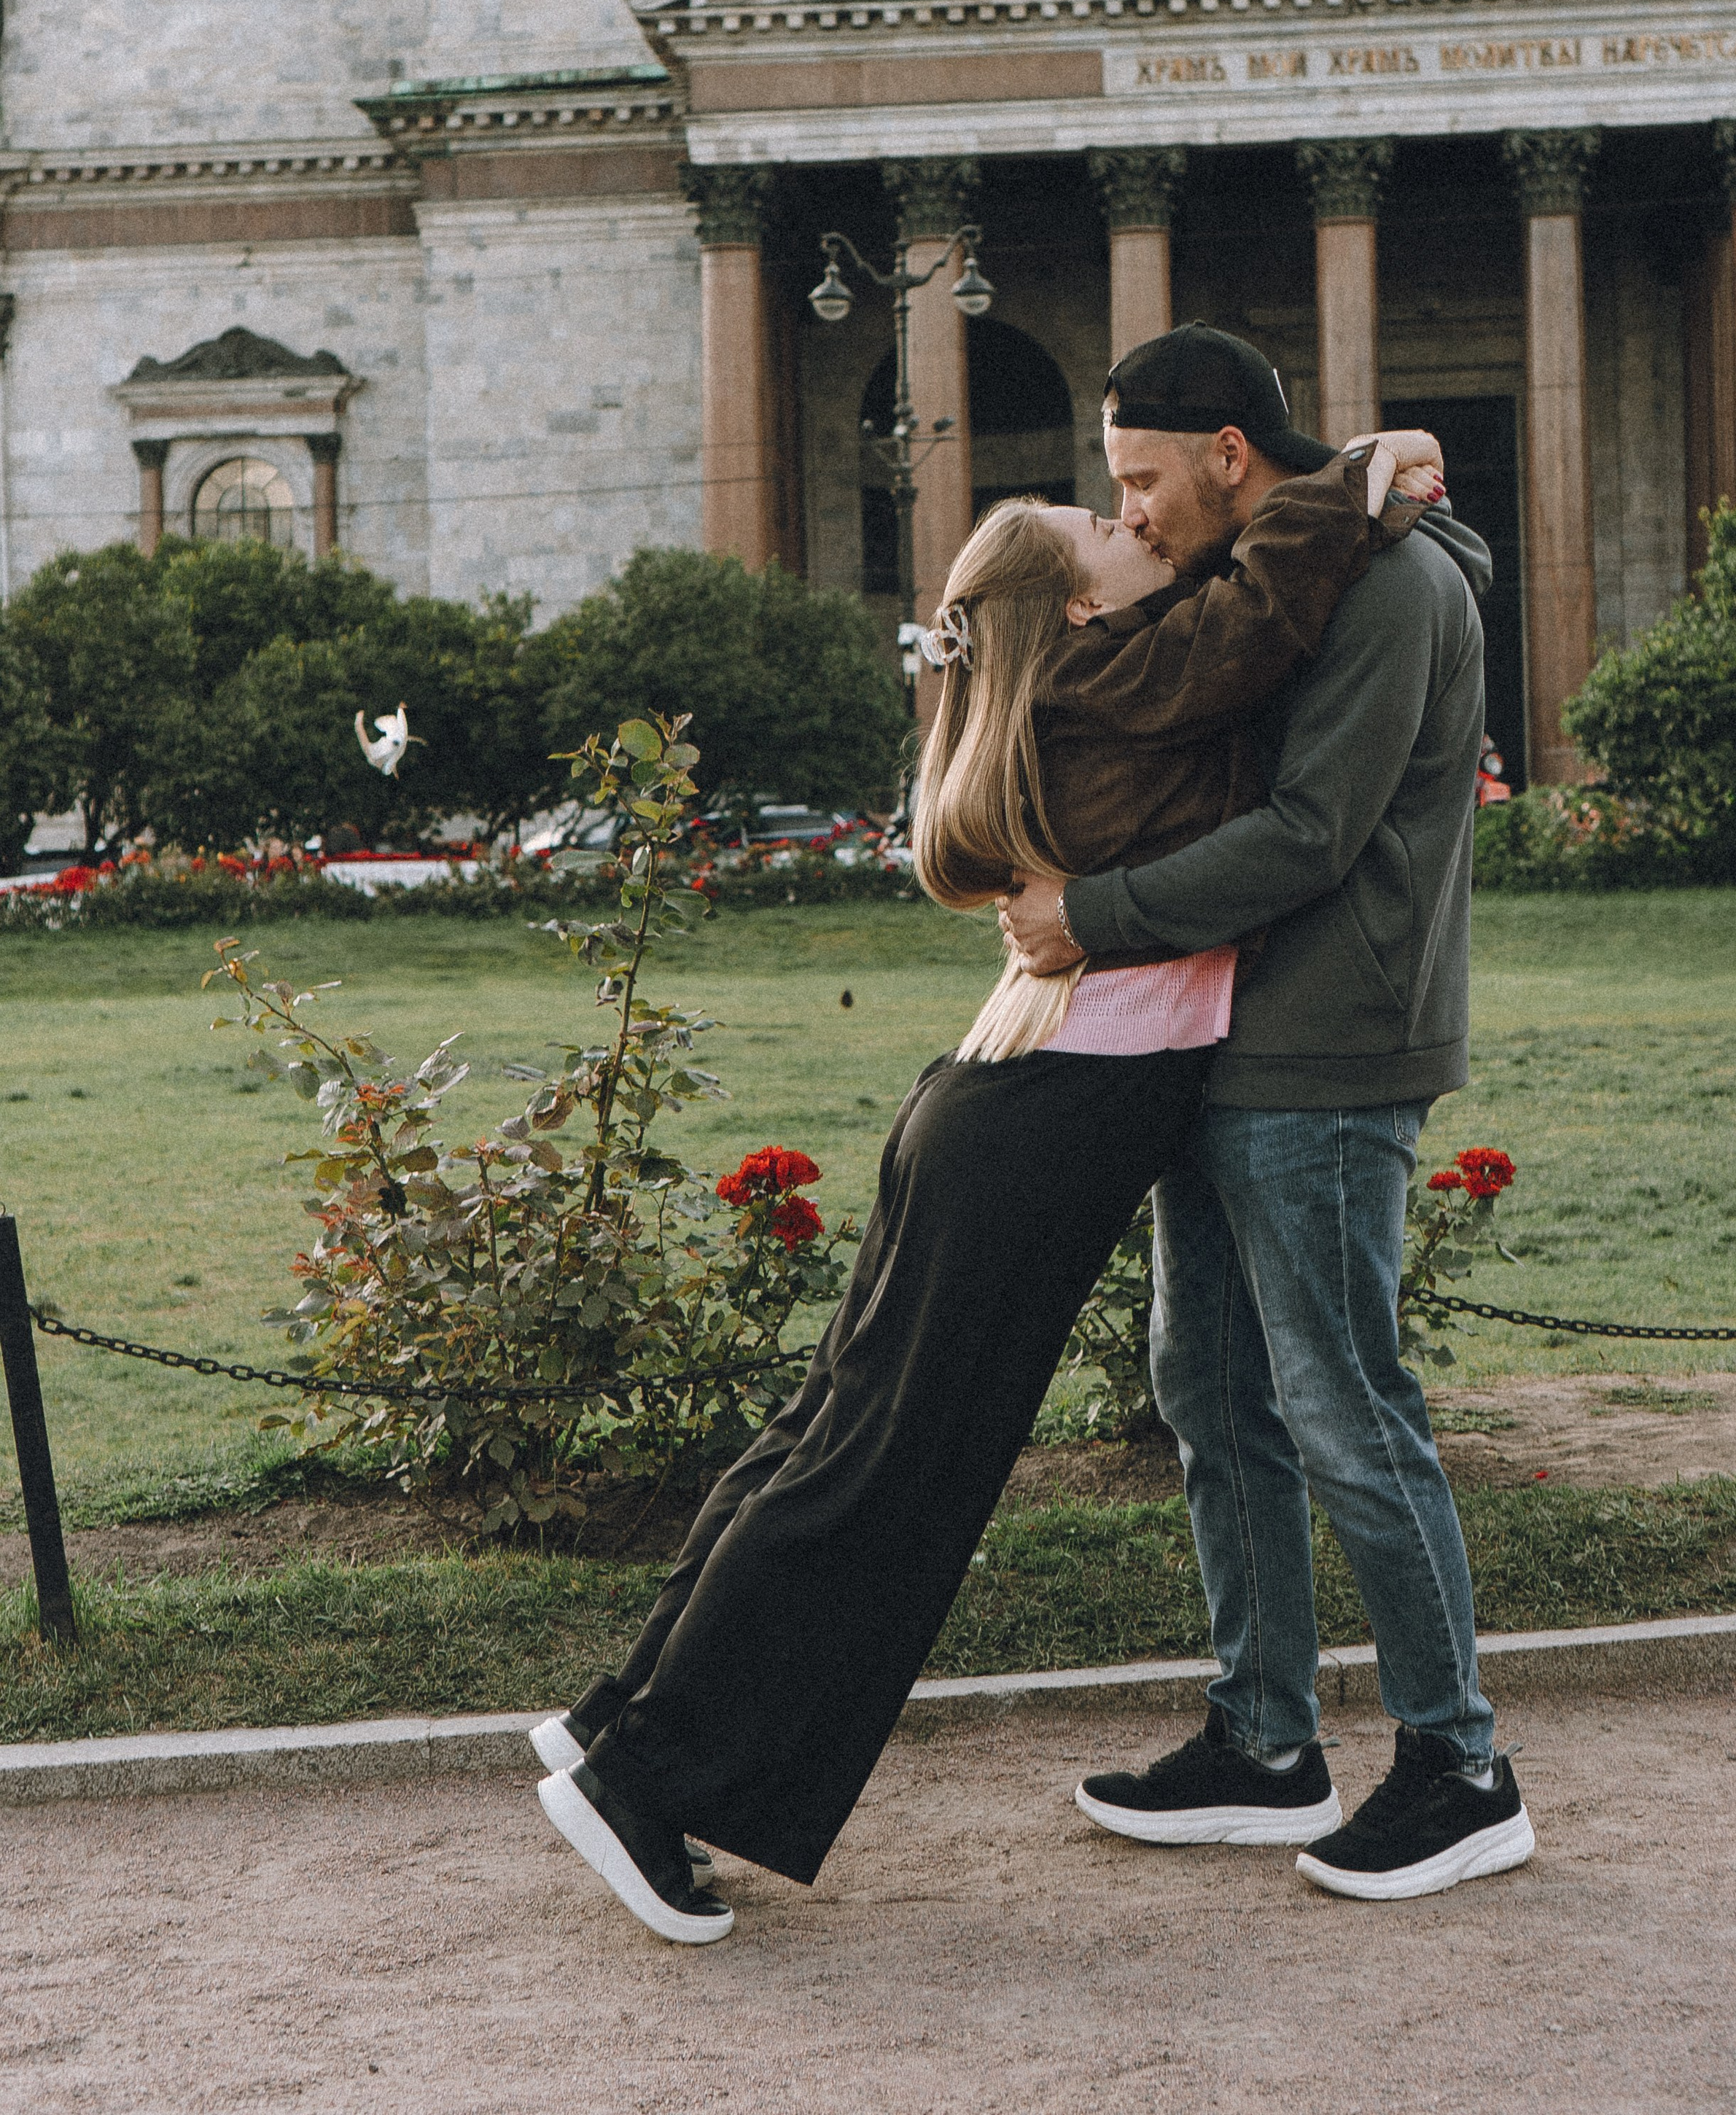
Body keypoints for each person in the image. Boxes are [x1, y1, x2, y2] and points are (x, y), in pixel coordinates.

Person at [526, 425, 1440, 1945]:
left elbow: (1224, 617)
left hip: (1004, 1095)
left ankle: (626, 1718)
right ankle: (646, 1780)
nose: (1133, 528)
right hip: (1046, 1114)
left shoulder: (1072, 687)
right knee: (890, 1477)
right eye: (1104, 526)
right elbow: (1258, 613)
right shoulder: (1120, 680)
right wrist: (1344, 476)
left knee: (838, 1431)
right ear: (1073, 609)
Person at [1000, 323, 1535, 1902]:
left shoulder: (1390, 588)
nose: (1135, 514)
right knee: (1208, 1382)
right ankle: (1263, 1741)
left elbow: (1308, 834)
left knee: (1340, 1403)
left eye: (1143, 483)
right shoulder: (1297, 572)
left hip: (1328, 1041)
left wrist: (1087, 915)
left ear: (1227, 454)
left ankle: (1457, 1767)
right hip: (1234, 1031)